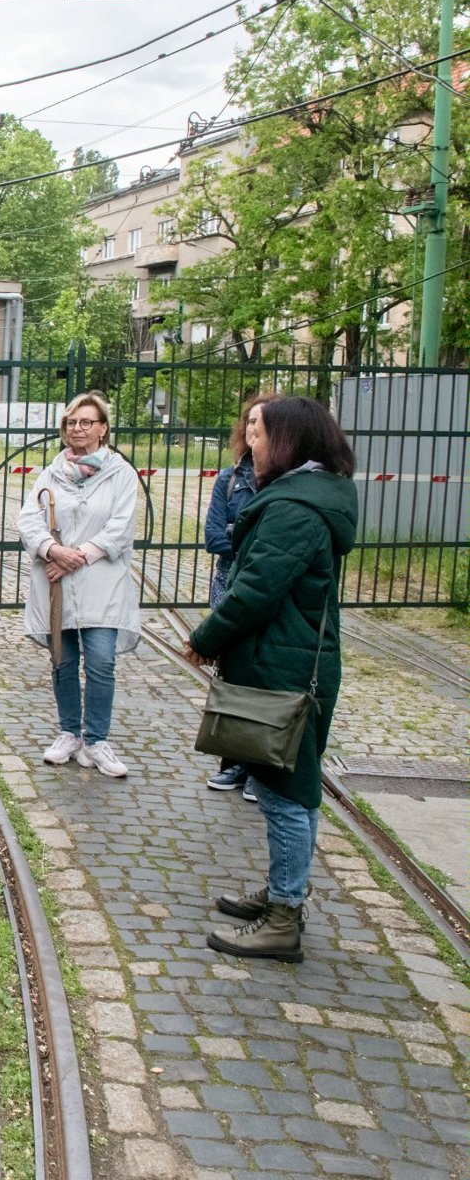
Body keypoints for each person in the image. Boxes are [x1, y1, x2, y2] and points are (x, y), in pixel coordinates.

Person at [187, 397, 357, 963]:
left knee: (285, 793)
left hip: (282, 666)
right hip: (292, 658)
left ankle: (284, 915)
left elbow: (255, 591)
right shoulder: (308, 497)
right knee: (292, 788)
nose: (248, 443)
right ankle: (286, 891)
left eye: (257, 433)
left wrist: (205, 638)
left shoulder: (294, 509)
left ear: (287, 440)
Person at [16, 391, 141, 779]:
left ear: (103, 429)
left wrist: (78, 556)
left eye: (86, 422)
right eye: (71, 422)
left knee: (102, 661)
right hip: (58, 584)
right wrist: (53, 550)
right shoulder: (51, 473)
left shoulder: (121, 474)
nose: (78, 429)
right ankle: (69, 732)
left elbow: (120, 528)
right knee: (63, 660)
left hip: (101, 583)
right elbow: (29, 520)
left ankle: (97, 740)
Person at [202, 394, 274, 799]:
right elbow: (214, 538)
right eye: (248, 422)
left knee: (262, 676)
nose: (251, 430)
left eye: (259, 424)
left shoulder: (284, 485)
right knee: (230, 675)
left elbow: (274, 548)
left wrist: (239, 536)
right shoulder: (229, 479)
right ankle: (232, 764)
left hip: (266, 592)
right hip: (228, 587)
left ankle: (258, 767)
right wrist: (252, 542)